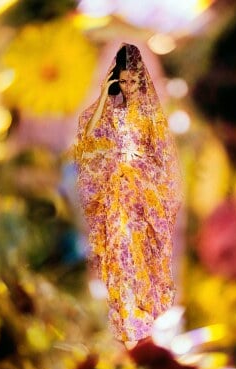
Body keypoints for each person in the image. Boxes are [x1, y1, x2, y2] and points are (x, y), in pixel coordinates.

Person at [70, 43, 181, 349]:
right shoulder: (110, 111)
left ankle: (141, 318)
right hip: (115, 190)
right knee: (116, 249)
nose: (129, 86)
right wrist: (105, 95)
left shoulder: (151, 116)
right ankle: (119, 314)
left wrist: (146, 179)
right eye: (124, 81)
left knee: (140, 252)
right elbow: (88, 135)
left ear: (141, 81)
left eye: (134, 81)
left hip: (141, 192)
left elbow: (162, 156)